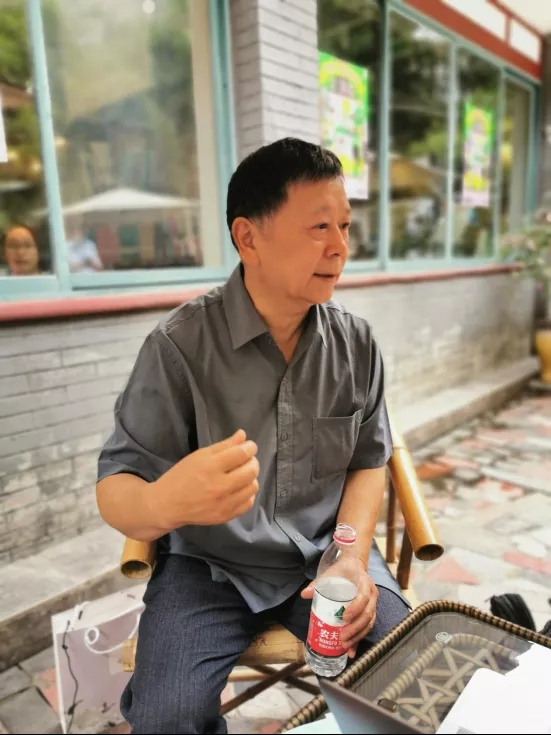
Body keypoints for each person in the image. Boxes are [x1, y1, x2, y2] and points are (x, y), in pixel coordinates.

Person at [96, 137, 410, 734]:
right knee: (166, 718)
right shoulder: (178, 348)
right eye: (319, 226)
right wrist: (163, 502)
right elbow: (116, 487)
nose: (340, 247)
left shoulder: (356, 344)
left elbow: (369, 460)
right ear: (248, 238)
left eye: (345, 226)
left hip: (326, 558)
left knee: (412, 670)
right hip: (209, 568)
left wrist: (350, 557)